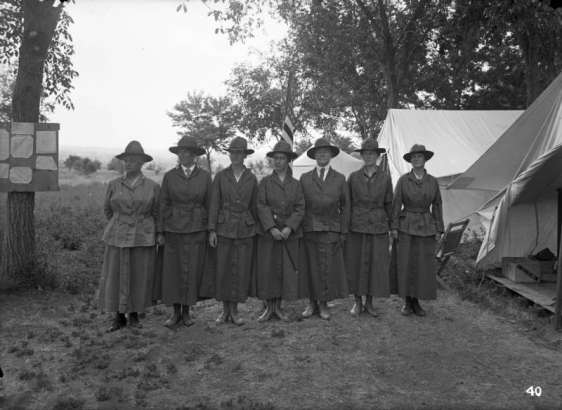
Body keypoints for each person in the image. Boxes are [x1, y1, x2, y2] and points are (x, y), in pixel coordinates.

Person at [98, 141, 160, 332]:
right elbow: (108, 209)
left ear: (142, 163)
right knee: (115, 274)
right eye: (126, 160)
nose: (129, 163)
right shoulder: (114, 184)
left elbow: (157, 212)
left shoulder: (152, 186)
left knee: (138, 275)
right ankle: (118, 316)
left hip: (143, 236)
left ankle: (134, 315)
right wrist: (120, 222)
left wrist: (151, 230)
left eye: (133, 160)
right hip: (117, 235)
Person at [154, 135, 212, 330]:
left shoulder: (204, 176)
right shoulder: (169, 176)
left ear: (194, 155)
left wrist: (211, 229)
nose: (182, 155)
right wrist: (160, 231)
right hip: (173, 229)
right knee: (174, 270)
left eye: (186, 152)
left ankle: (187, 312)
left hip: (197, 229)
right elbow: (163, 203)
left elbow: (210, 204)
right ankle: (175, 312)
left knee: (191, 269)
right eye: (180, 152)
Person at [206, 136, 258, 326]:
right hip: (224, 228)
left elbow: (254, 206)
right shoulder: (221, 176)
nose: (235, 156)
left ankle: (235, 311)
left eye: (239, 153)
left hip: (245, 229)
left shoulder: (251, 178)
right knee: (224, 268)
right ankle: (224, 310)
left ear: (245, 155)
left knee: (240, 269)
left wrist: (256, 229)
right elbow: (214, 204)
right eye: (232, 152)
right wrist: (212, 230)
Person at [390, 144, 444, 316]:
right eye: (413, 156)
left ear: (425, 159)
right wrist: (393, 226)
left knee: (422, 264)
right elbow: (396, 203)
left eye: (419, 156)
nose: (416, 158)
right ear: (410, 160)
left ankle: (417, 301)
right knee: (405, 264)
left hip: (427, 226)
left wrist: (438, 228)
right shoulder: (403, 180)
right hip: (406, 226)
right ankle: (407, 301)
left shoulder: (433, 181)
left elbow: (437, 205)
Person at [299, 137, 350, 320]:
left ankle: (324, 304)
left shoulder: (340, 178)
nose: (322, 154)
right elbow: (299, 205)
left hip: (331, 229)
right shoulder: (305, 178)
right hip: (310, 229)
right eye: (319, 151)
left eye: (325, 151)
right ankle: (312, 303)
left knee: (327, 267)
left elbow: (345, 207)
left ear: (331, 155)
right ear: (314, 155)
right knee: (311, 267)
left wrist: (343, 230)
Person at [255, 140, 305, 322]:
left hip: (288, 235)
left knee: (284, 270)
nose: (278, 161)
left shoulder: (296, 184)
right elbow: (261, 205)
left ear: (288, 160)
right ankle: (269, 308)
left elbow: (300, 207)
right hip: (269, 235)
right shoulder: (265, 182)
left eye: (282, 158)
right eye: (276, 158)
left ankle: (279, 308)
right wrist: (272, 228)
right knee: (268, 269)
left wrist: (289, 227)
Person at [345, 138, 393, 317]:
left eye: (371, 153)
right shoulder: (353, 177)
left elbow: (389, 203)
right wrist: (346, 226)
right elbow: (347, 204)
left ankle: (370, 302)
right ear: (362, 156)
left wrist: (392, 226)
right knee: (356, 263)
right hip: (356, 226)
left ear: (378, 156)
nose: (368, 156)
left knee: (376, 265)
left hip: (378, 226)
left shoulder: (386, 178)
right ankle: (357, 301)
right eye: (365, 154)